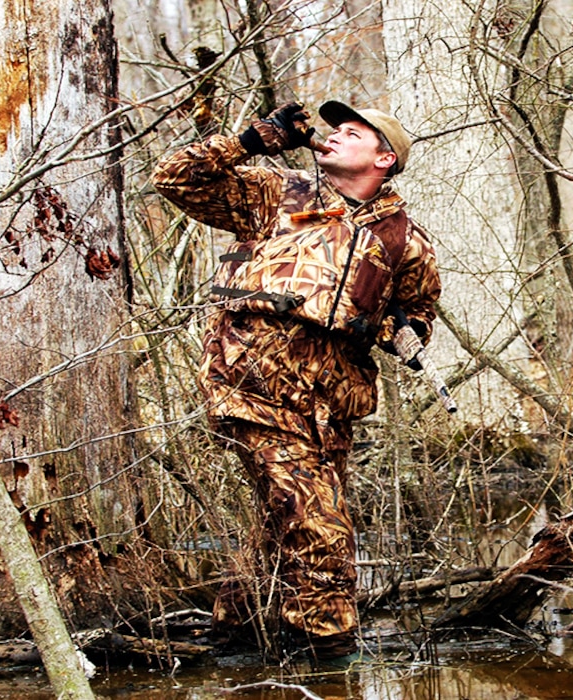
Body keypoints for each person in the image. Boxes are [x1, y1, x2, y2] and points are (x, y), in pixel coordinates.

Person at [153, 101, 441, 660]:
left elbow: (419, 315)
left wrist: (404, 330)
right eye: (332, 130)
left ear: (384, 159)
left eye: (351, 134)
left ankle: (236, 638)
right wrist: (250, 142)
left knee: (282, 524)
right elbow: (173, 178)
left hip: (329, 408)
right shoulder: (278, 193)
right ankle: (329, 655)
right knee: (321, 526)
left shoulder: (406, 240)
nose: (332, 137)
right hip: (252, 387)